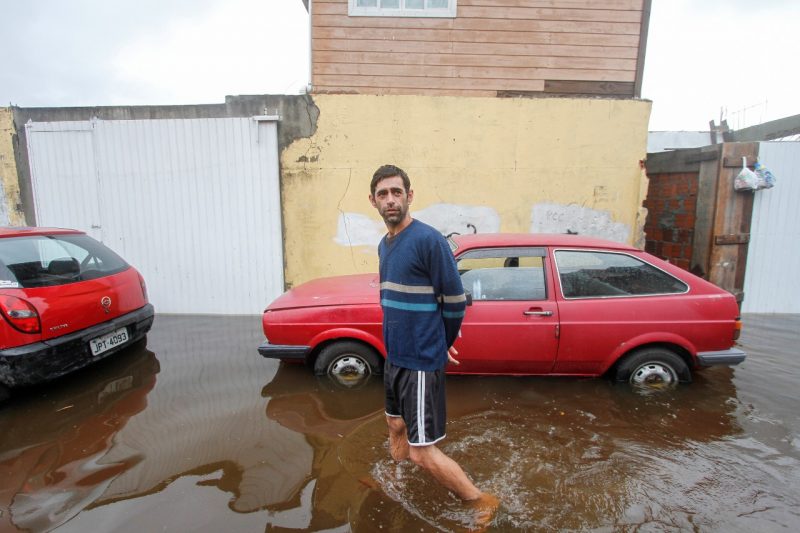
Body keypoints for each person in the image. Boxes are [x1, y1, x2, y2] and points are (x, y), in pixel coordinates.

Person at [368, 164, 499, 527]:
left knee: (422, 453)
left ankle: (481, 500)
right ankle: (396, 480)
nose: (390, 200)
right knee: (394, 425)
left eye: (397, 192)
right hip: (395, 356)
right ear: (373, 201)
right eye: (383, 194)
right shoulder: (385, 244)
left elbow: (454, 301)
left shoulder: (429, 240)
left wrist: (443, 342)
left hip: (421, 361)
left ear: (410, 196)